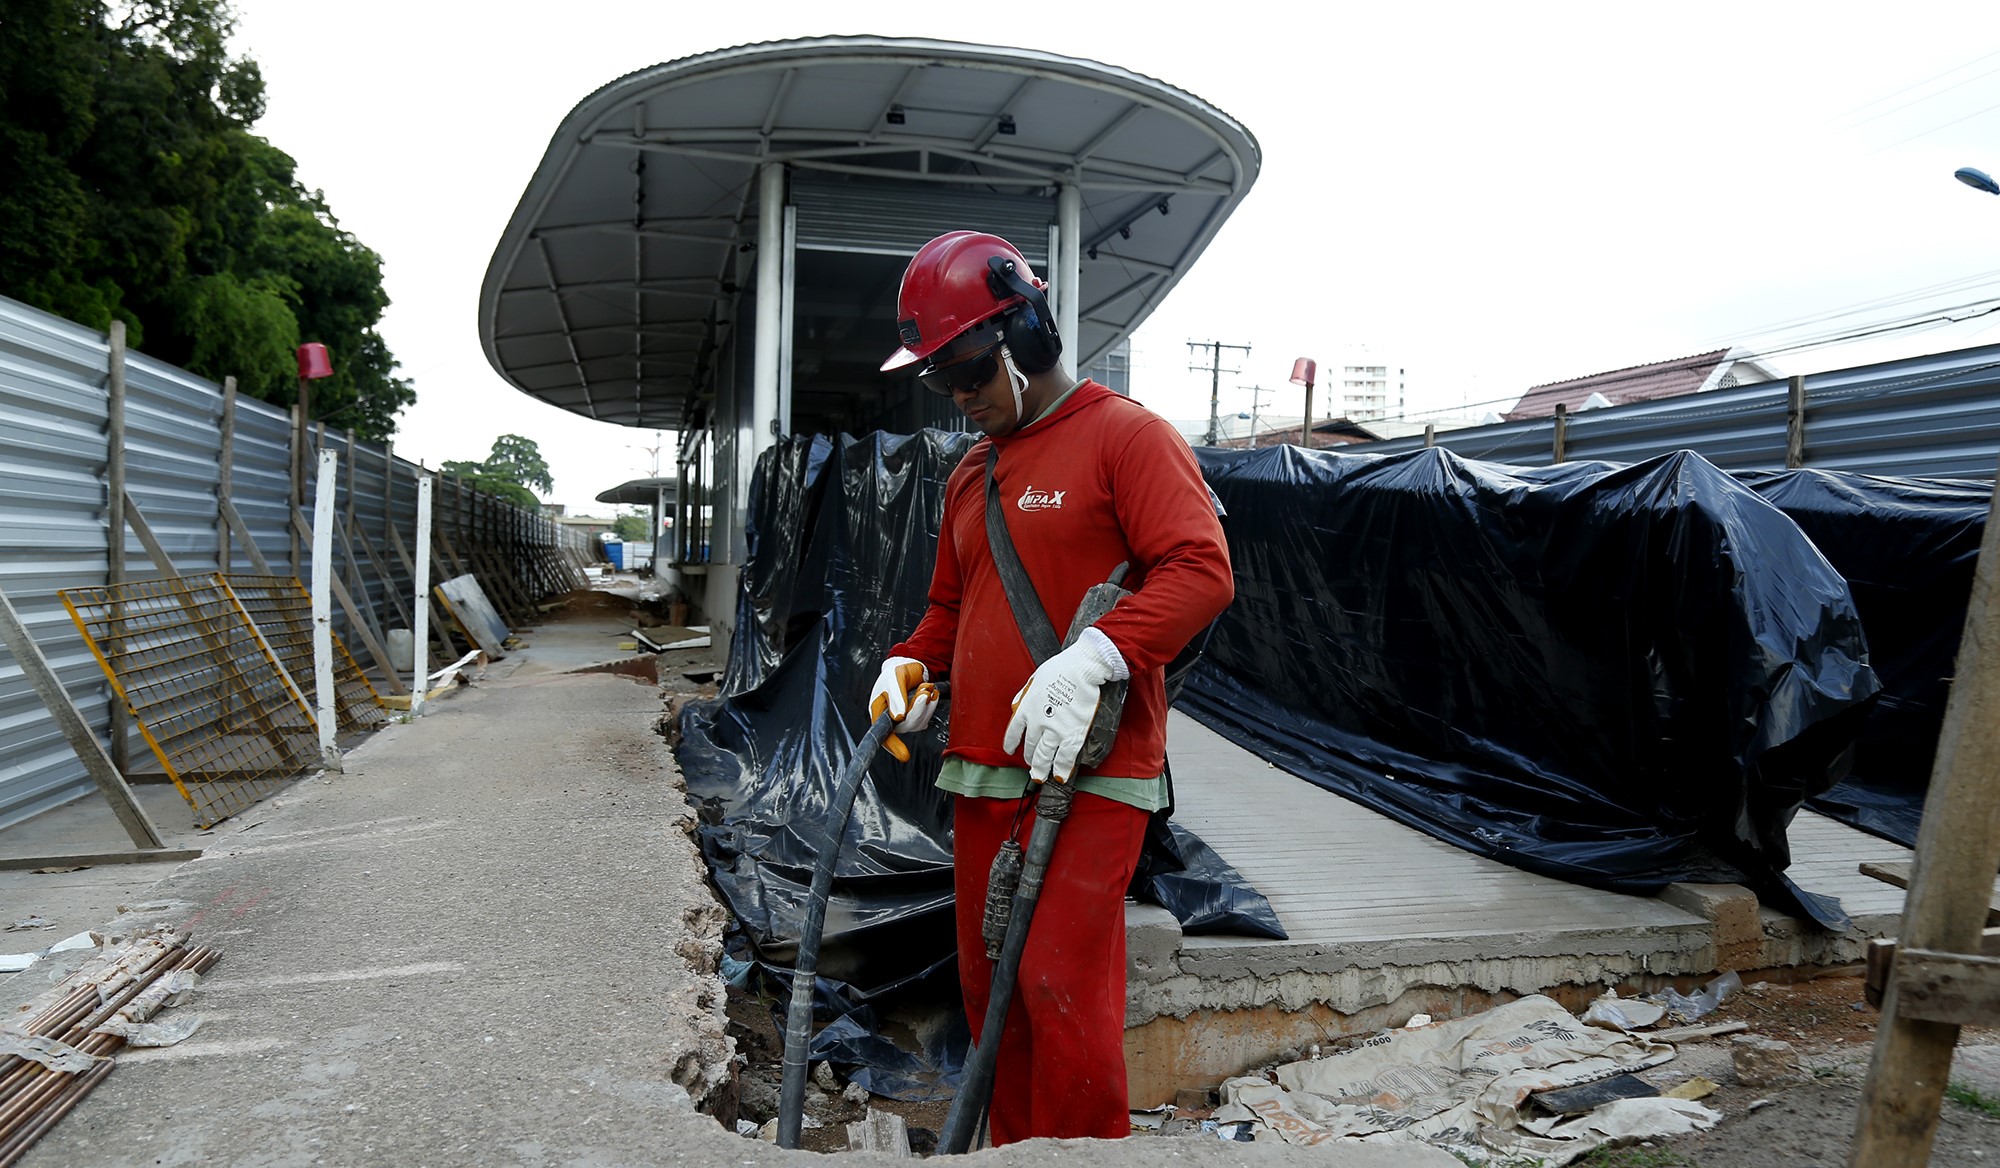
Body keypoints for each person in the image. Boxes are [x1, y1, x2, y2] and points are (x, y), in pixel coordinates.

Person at [866, 230, 1233, 1144]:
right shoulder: (970, 475)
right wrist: (913, 660)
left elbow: (1199, 571)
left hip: (1092, 768)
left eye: (969, 370)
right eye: (939, 380)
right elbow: (953, 606)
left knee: (1060, 980)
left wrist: (1096, 654)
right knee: (994, 990)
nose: (958, 396)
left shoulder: (1127, 437)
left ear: (1027, 335)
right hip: (983, 769)